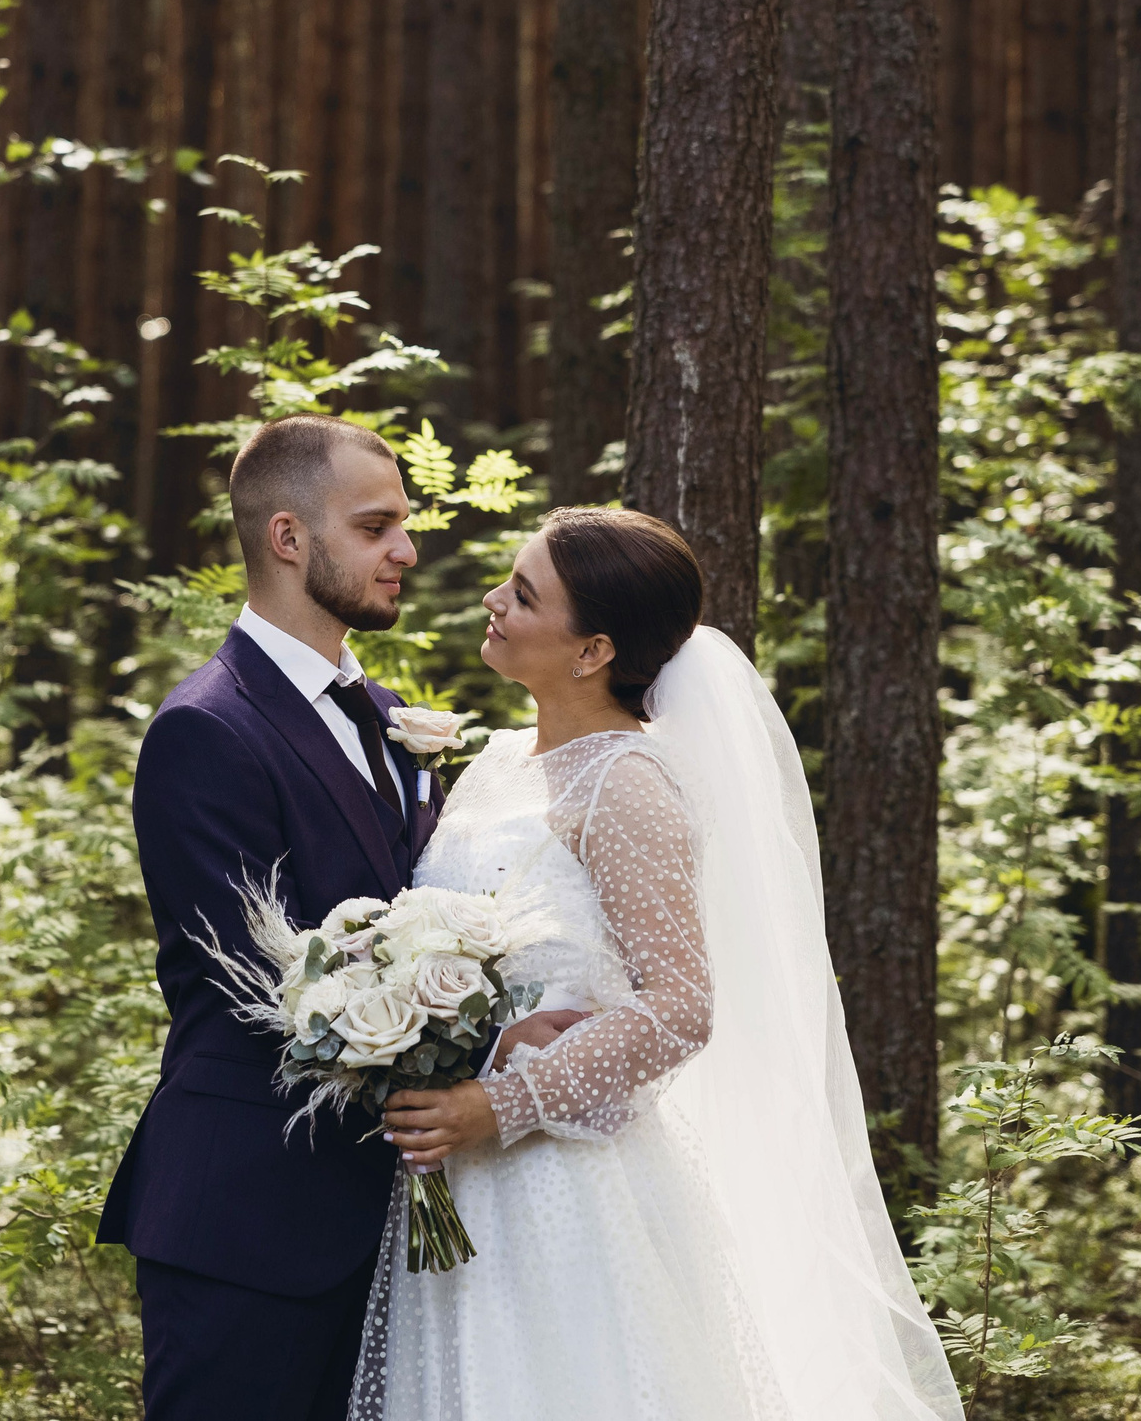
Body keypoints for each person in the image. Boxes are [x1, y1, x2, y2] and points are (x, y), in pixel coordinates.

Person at [355, 507, 966, 1421]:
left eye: (522, 595)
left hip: (559, 1184)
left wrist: (499, 1104)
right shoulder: (492, 763)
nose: (492, 600)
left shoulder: (628, 783)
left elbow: (681, 1008)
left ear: (592, 650)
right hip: (454, 1177)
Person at [98, 415, 582, 1421]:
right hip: (249, 1216)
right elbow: (252, 984)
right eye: (376, 526)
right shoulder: (206, 727)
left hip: (392, 1218)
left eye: (402, 523)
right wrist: (479, 1049)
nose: (407, 549)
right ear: (287, 537)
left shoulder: (389, 712)